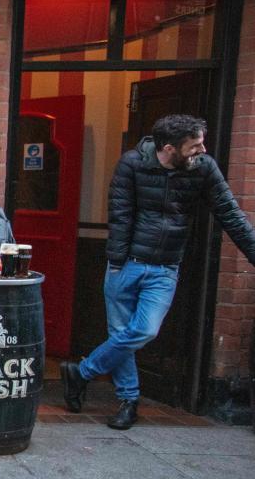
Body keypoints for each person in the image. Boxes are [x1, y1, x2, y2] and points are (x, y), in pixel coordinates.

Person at [61, 114, 255, 430]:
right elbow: (120, 215)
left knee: (143, 331)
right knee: (121, 334)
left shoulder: (203, 168)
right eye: (195, 145)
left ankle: (81, 372)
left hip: (165, 267)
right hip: (127, 265)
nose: (202, 150)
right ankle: (129, 401)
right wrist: (118, 263)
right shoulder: (132, 164)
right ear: (169, 148)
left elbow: (230, 214)